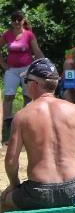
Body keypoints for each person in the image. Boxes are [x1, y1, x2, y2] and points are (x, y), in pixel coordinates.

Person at [0, 58, 75, 213]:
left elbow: (11, 161)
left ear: (34, 85)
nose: (25, 86)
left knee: (4, 203)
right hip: (73, 188)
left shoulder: (22, 116)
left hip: (37, 192)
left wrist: (14, 184)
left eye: (26, 81)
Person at [1, 11, 42, 140]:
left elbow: (36, 50)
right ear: (12, 21)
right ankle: (5, 124)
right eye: (14, 19)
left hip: (27, 69)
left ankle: (26, 123)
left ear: (24, 20)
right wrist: (3, 64)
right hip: (11, 70)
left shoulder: (29, 35)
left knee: (27, 96)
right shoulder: (7, 34)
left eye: (19, 19)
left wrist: (44, 63)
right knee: (8, 96)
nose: (17, 22)